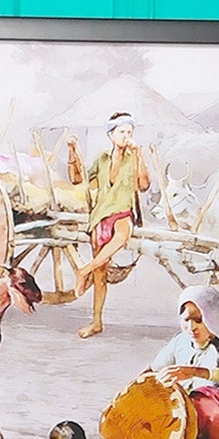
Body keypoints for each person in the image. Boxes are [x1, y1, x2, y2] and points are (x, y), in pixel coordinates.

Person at [66, 112, 151, 340]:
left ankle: (84, 270)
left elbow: (143, 185)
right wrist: (72, 151)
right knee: (101, 275)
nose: (126, 136)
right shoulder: (103, 159)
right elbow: (77, 179)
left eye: (129, 133)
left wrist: (139, 154)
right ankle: (96, 322)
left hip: (123, 214)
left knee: (121, 235)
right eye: (122, 132)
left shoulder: (134, 158)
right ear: (111, 134)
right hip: (100, 217)